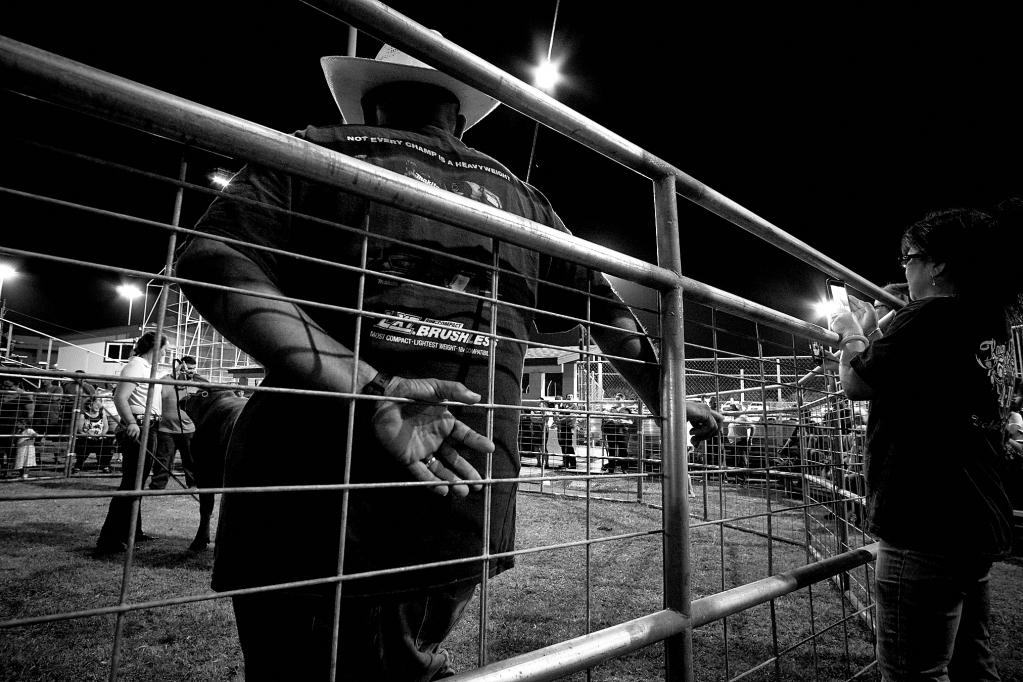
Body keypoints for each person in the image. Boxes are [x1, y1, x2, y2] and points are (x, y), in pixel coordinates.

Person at [176, 38, 722, 681]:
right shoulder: (525, 199)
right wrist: (664, 393)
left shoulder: (319, 149)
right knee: (405, 657)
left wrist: (370, 382)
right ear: (457, 118)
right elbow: (604, 313)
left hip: (311, 481)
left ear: (370, 109)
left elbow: (213, 260)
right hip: (468, 478)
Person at [830, 205, 1020, 681]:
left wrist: (851, 329)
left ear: (937, 263)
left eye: (909, 257)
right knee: (971, 661)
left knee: (915, 671)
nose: (905, 268)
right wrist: (902, 315)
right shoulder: (987, 320)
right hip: (974, 513)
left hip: (925, 520)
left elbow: (857, 382)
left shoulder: (933, 320)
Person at [94, 331, 166, 556]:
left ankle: (133, 530)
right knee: (131, 484)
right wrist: (131, 423)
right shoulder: (136, 366)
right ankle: (109, 539)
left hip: (148, 426)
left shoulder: (146, 367)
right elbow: (120, 396)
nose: (166, 353)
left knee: (137, 482)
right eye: (165, 348)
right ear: (156, 347)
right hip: (140, 427)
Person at [150, 356, 204, 489]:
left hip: (188, 429)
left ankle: (193, 484)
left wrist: (193, 376)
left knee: (191, 459)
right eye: (188, 368)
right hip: (166, 429)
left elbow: (208, 386)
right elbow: (156, 385)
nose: (191, 371)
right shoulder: (167, 381)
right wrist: (176, 372)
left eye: (193, 368)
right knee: (163, 459)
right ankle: (158, 485)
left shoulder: (196, 383)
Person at [1, 378, 35, 477]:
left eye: (9, 386)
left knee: (14, 448)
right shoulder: (2, 392)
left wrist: (23, 425)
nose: (6, 388)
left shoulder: (23, 395)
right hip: (3, 423)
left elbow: (30, 412)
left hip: (15, 425)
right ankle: (4, 469)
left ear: (16, 385)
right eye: (4, 386)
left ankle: (12, 470)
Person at [72, 396, 112, 473]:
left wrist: (102, 434)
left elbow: (106, 427)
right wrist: (88, 435)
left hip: (100, 437)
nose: (98, 407)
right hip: (87, 437)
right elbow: (80, 430)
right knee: (83, 446)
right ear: (90, 405)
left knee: (106, 446)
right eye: (96, 405)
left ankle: (105, 465)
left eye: (99, 405)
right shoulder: (83, 416)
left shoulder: (102, 415)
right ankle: (78, 465)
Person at [556, 393, 577, 470]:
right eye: (568, 397)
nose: (569, 398)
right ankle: (565, 462)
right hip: (562, 427)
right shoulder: (563, 406)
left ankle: (573, 463)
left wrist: (560, 420)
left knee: (568, 446)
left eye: (571, 397)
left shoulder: (574, 407)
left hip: (568, 427)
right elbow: (559, 415)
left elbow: (570, 417)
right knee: (563, 445)